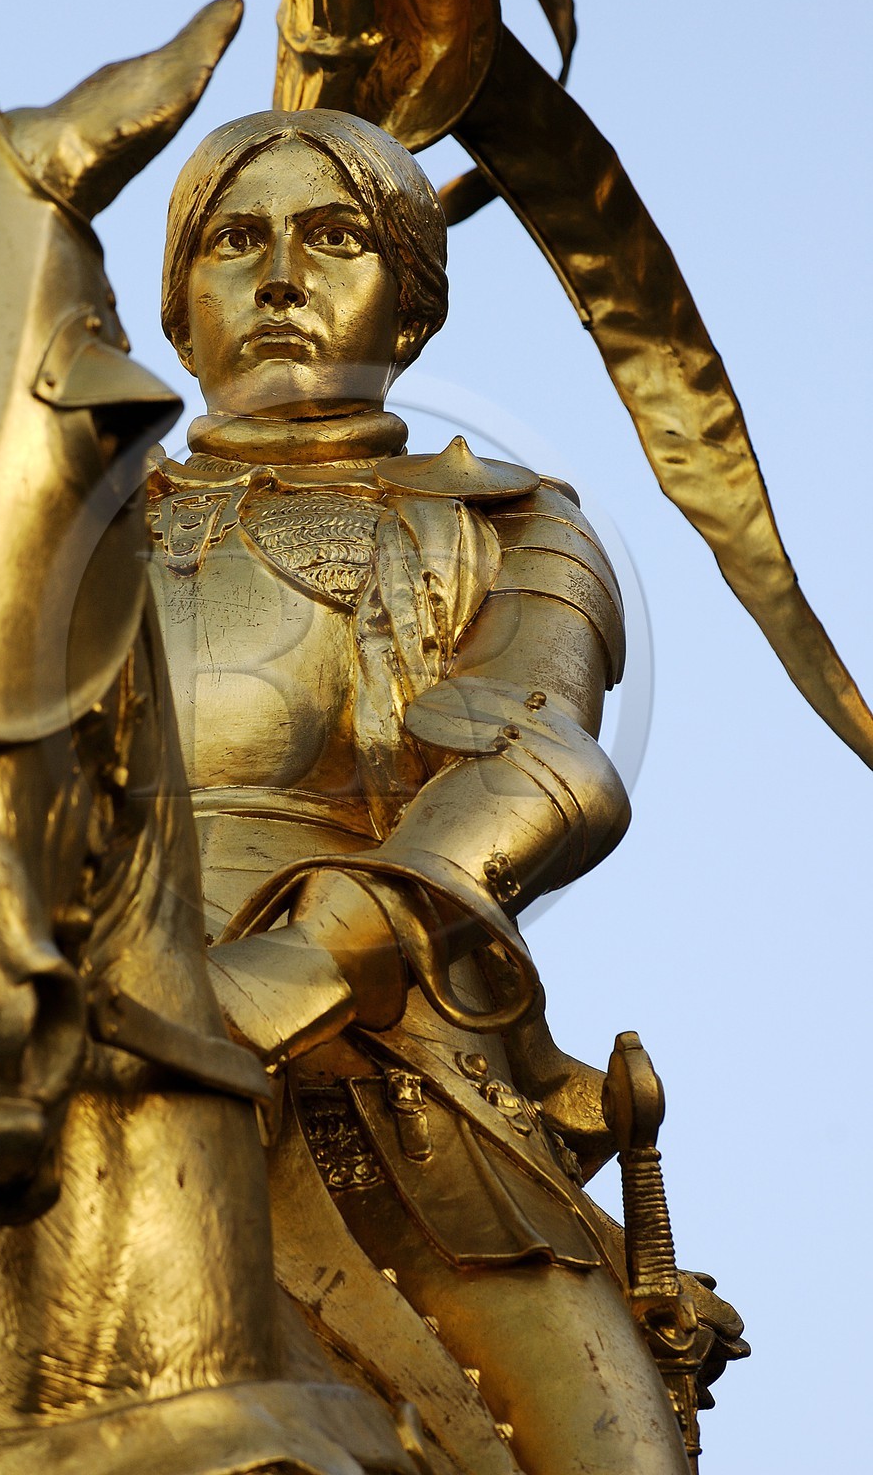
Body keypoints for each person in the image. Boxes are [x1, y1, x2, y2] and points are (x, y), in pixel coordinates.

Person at [148, 108, 740, 1475]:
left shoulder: (514, 526)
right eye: (238, 241)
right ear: (180, 311)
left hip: (394, 1065)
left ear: (405, 309)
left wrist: (312, 957)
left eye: (335, 237)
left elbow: (542, 760)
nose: (282, 277)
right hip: (67, 998)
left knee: (607, 1450)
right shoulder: (64, 520)